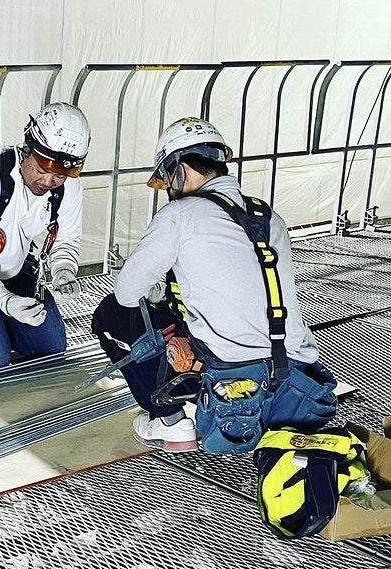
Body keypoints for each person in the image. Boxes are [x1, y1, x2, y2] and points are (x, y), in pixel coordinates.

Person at [92, 117, 336, 453]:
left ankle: (169, 421)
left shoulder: (181, 214)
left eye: (168, 181)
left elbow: (127, 291)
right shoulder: (269, 217)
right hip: (297, 382)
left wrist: (153, 295)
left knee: (111, 314)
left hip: (233, 380)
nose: (169, 191)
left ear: (181, 172)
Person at [0, 102, 90, 370]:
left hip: (14, 268)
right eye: (42, 170)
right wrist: (6, 301)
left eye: (59, 176)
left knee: (51, 348)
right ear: (26, 149)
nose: (47, 182)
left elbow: (66, 240)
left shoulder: (68, 187)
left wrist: (64, 271)